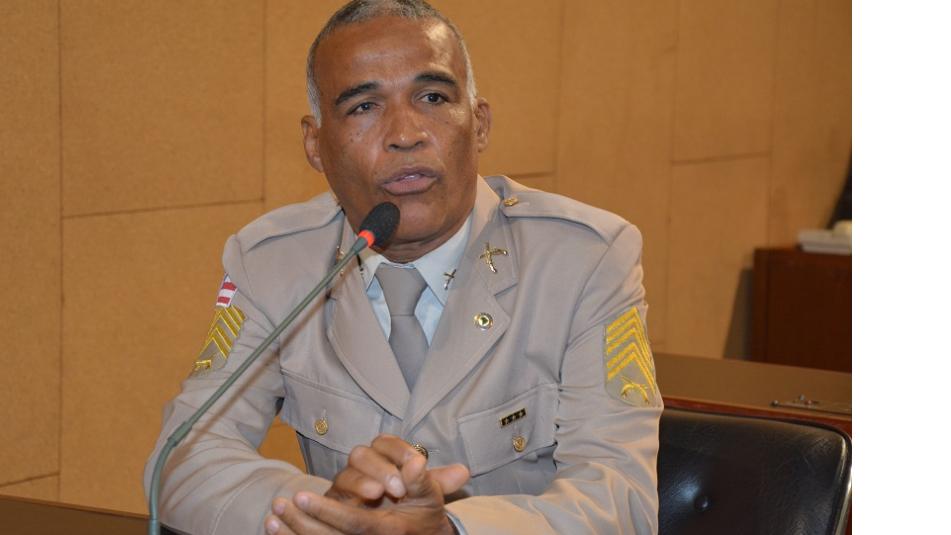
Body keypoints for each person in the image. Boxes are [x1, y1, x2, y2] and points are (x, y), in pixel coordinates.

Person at [144, 1, 662, 533]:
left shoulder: (584, 259)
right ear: (315, 145)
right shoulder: (273, 262)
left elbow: (621, 496)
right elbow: (182, 461)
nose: (405, 133)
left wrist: (451, 531)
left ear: (479, 124)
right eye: (364, 106)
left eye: (432, 97)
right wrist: (329, 512)